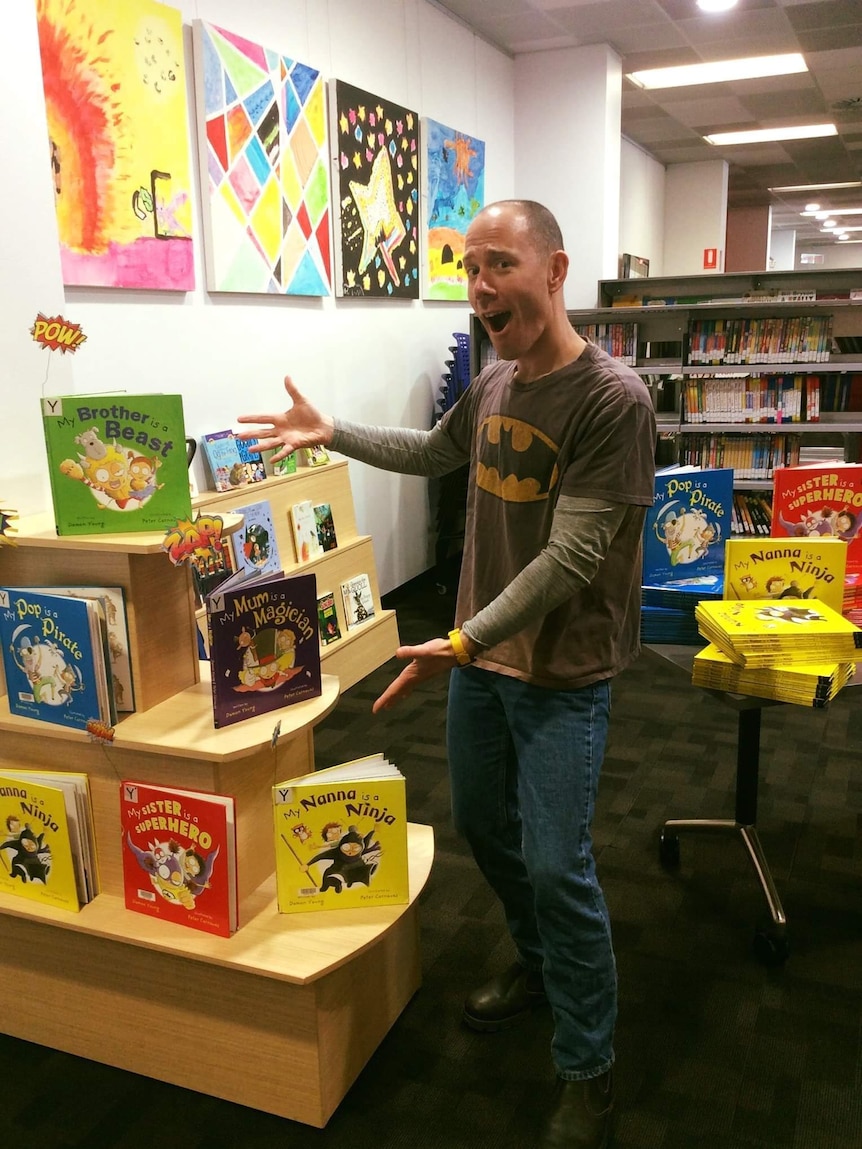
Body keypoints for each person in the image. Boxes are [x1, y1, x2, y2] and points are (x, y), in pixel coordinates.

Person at [237, 199, 656, 1149]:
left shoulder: (612, 400)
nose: (479, 286)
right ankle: (541, 964)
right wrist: (330, 430)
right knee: (481, 825)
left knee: (559, 862)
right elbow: (435, 452)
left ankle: (588, 1065)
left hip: (561, 671)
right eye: (469, 267)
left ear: (554, 270)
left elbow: (573, 558)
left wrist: (464, 640)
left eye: (499, 264)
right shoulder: (499, 380)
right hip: (479, 658)